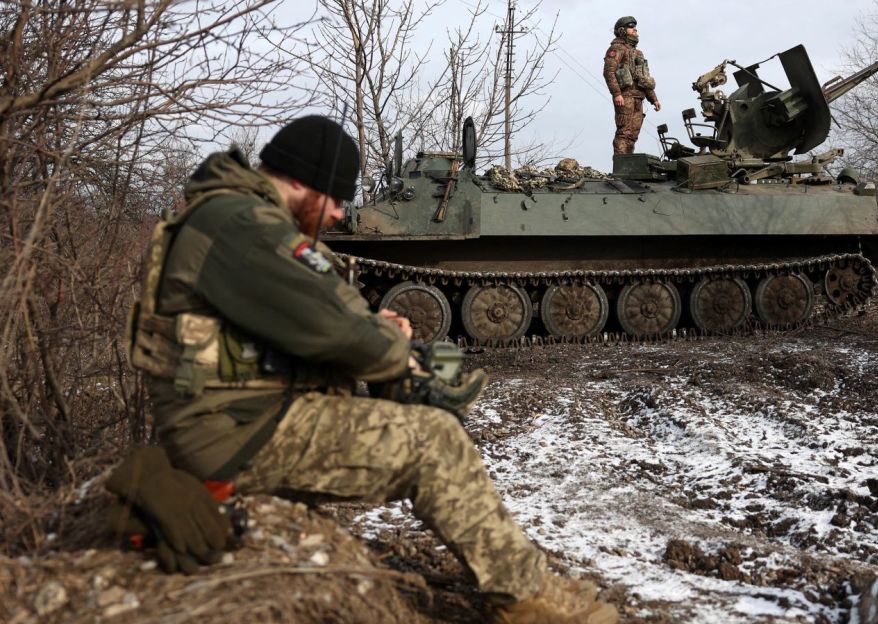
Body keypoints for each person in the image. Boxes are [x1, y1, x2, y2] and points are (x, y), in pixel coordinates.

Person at [119, 115, 618, 624]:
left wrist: (370, 328)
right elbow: (334, 328)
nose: (337, 213)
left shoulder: (230, 217)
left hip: (234, 416)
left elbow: (300, 318)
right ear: (299, 179)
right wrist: (389, 346)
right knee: (435, 440)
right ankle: (528, 601)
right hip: (235, 430)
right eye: (334, 197)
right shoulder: (242, 225)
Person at [603, 16, 662, 155]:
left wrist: (654, 99)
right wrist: (617, 93)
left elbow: (644, 78)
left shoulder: (638, 53)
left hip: (638, 98)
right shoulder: (617, 49)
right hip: (625, 97)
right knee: (624, 132)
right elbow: (609, 72)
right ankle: (621, 168)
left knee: (633, 135)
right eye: (631, 27)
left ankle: (629, 167)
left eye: (635, 27)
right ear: (622, 30)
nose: (635, 29)